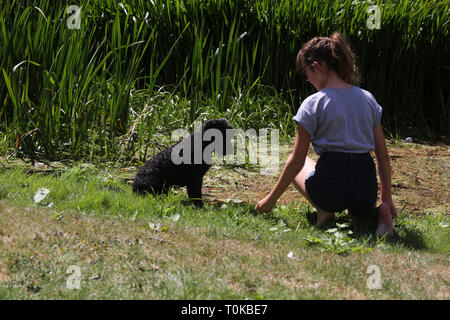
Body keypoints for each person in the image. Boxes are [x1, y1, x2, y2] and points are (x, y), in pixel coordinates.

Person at [255, 32, 397, 237]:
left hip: (330, 191)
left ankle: (324, 211)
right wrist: (386, 198)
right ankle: (378, 212)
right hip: (364, 192)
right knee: (360, 197)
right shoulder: (368, 99)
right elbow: (382, 155)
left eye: (306, 74)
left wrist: (270, 200)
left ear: (317, 65)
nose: (308, 80)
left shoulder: (313, 103)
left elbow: (297, 161)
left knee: (300, 161)